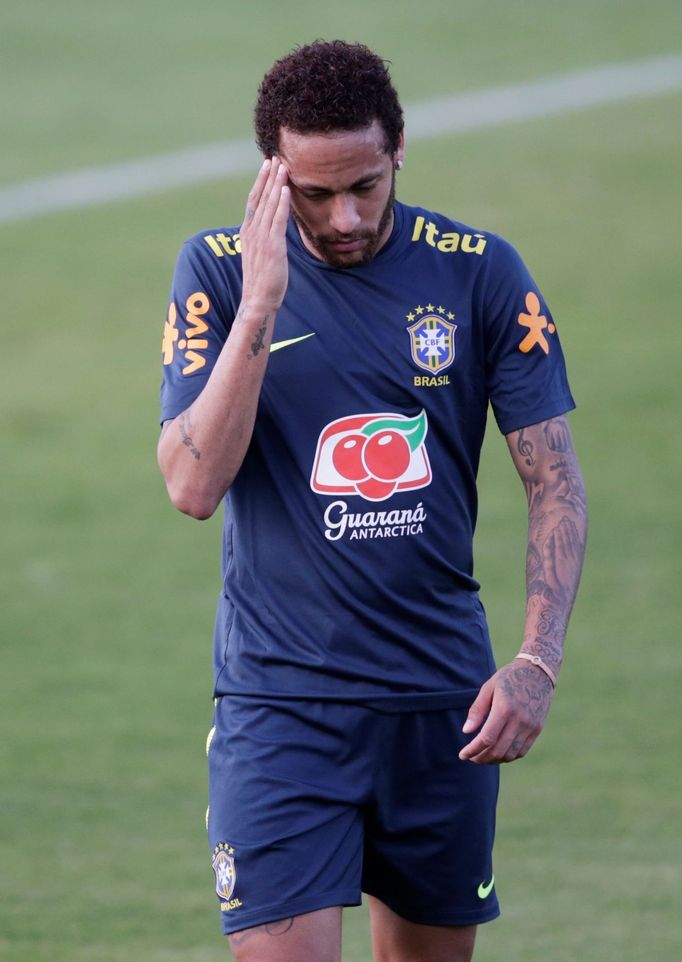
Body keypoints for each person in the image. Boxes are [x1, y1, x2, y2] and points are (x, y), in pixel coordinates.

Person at [158, 39, 587, 962]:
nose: (344, 216)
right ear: (273, 175)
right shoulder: (221, 274)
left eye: (365, 184)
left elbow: (554, 483)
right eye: (314, 195)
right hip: (281, 708)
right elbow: (192, 485)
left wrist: (536, 663)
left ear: (400, 151)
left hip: (442, 708)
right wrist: (263, 306)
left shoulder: (480, 272)